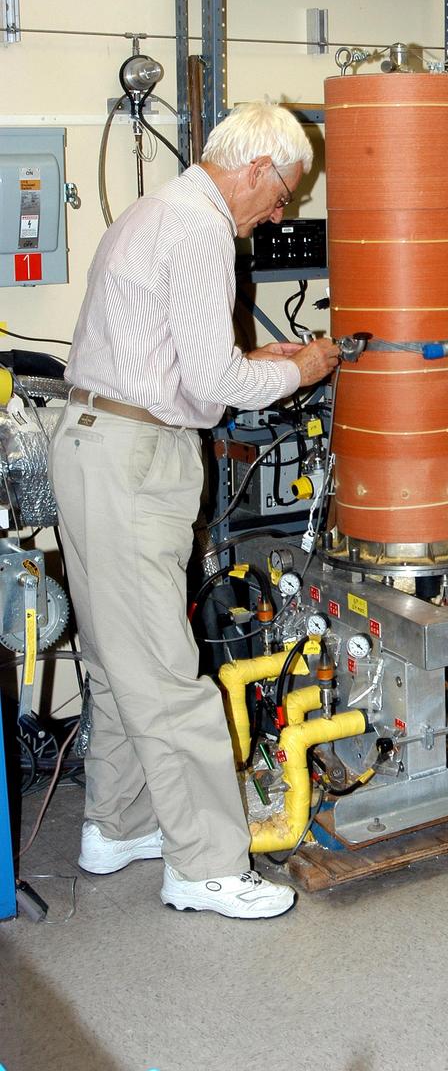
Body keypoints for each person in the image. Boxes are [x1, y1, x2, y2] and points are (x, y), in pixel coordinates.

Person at [48, 102, 340, 918]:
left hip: (99, 444)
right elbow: (214, 388)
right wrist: (304, 366)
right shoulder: (202, 229)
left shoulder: (158, 209)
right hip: (134, 460)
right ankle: (206, 866)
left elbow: (180, 356)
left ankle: (119, 824)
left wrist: (257, 357)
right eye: (283, 193)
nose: (279, 213)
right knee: (172, 678)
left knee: (118, 662)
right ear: (254, 167)